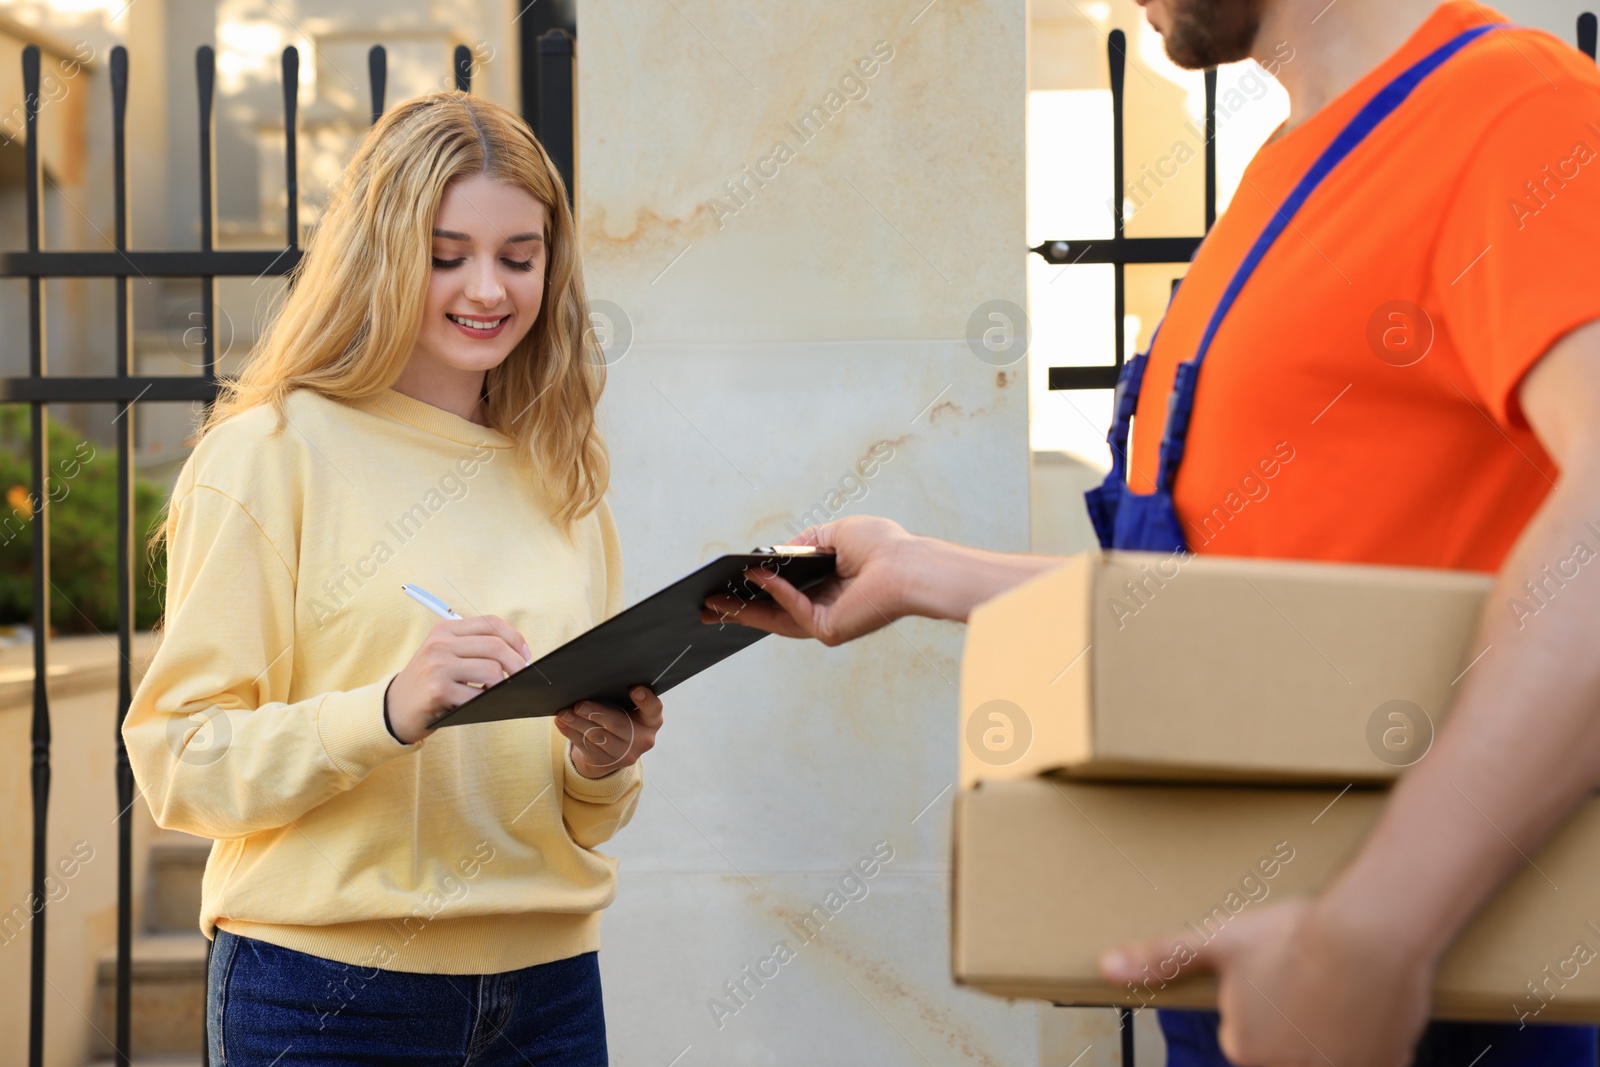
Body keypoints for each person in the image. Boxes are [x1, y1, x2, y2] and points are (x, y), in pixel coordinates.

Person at [704, 0, 1600, 1064]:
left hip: (1407, 995)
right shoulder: (1283, 173)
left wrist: (1378, 930)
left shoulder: (1520, 112)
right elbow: (1224, 608)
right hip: (1256, 973)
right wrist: (917, 570)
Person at [124, 92, 662, 1066]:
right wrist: (386, 708)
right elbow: (180, 758)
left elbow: (586, 812)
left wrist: (599, 759)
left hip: (547, 995)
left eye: (519, 255)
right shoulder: (268, 455)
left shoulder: (566, 480)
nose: (488, 288)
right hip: (322, 996)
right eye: (445, 253)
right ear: (379, 253)